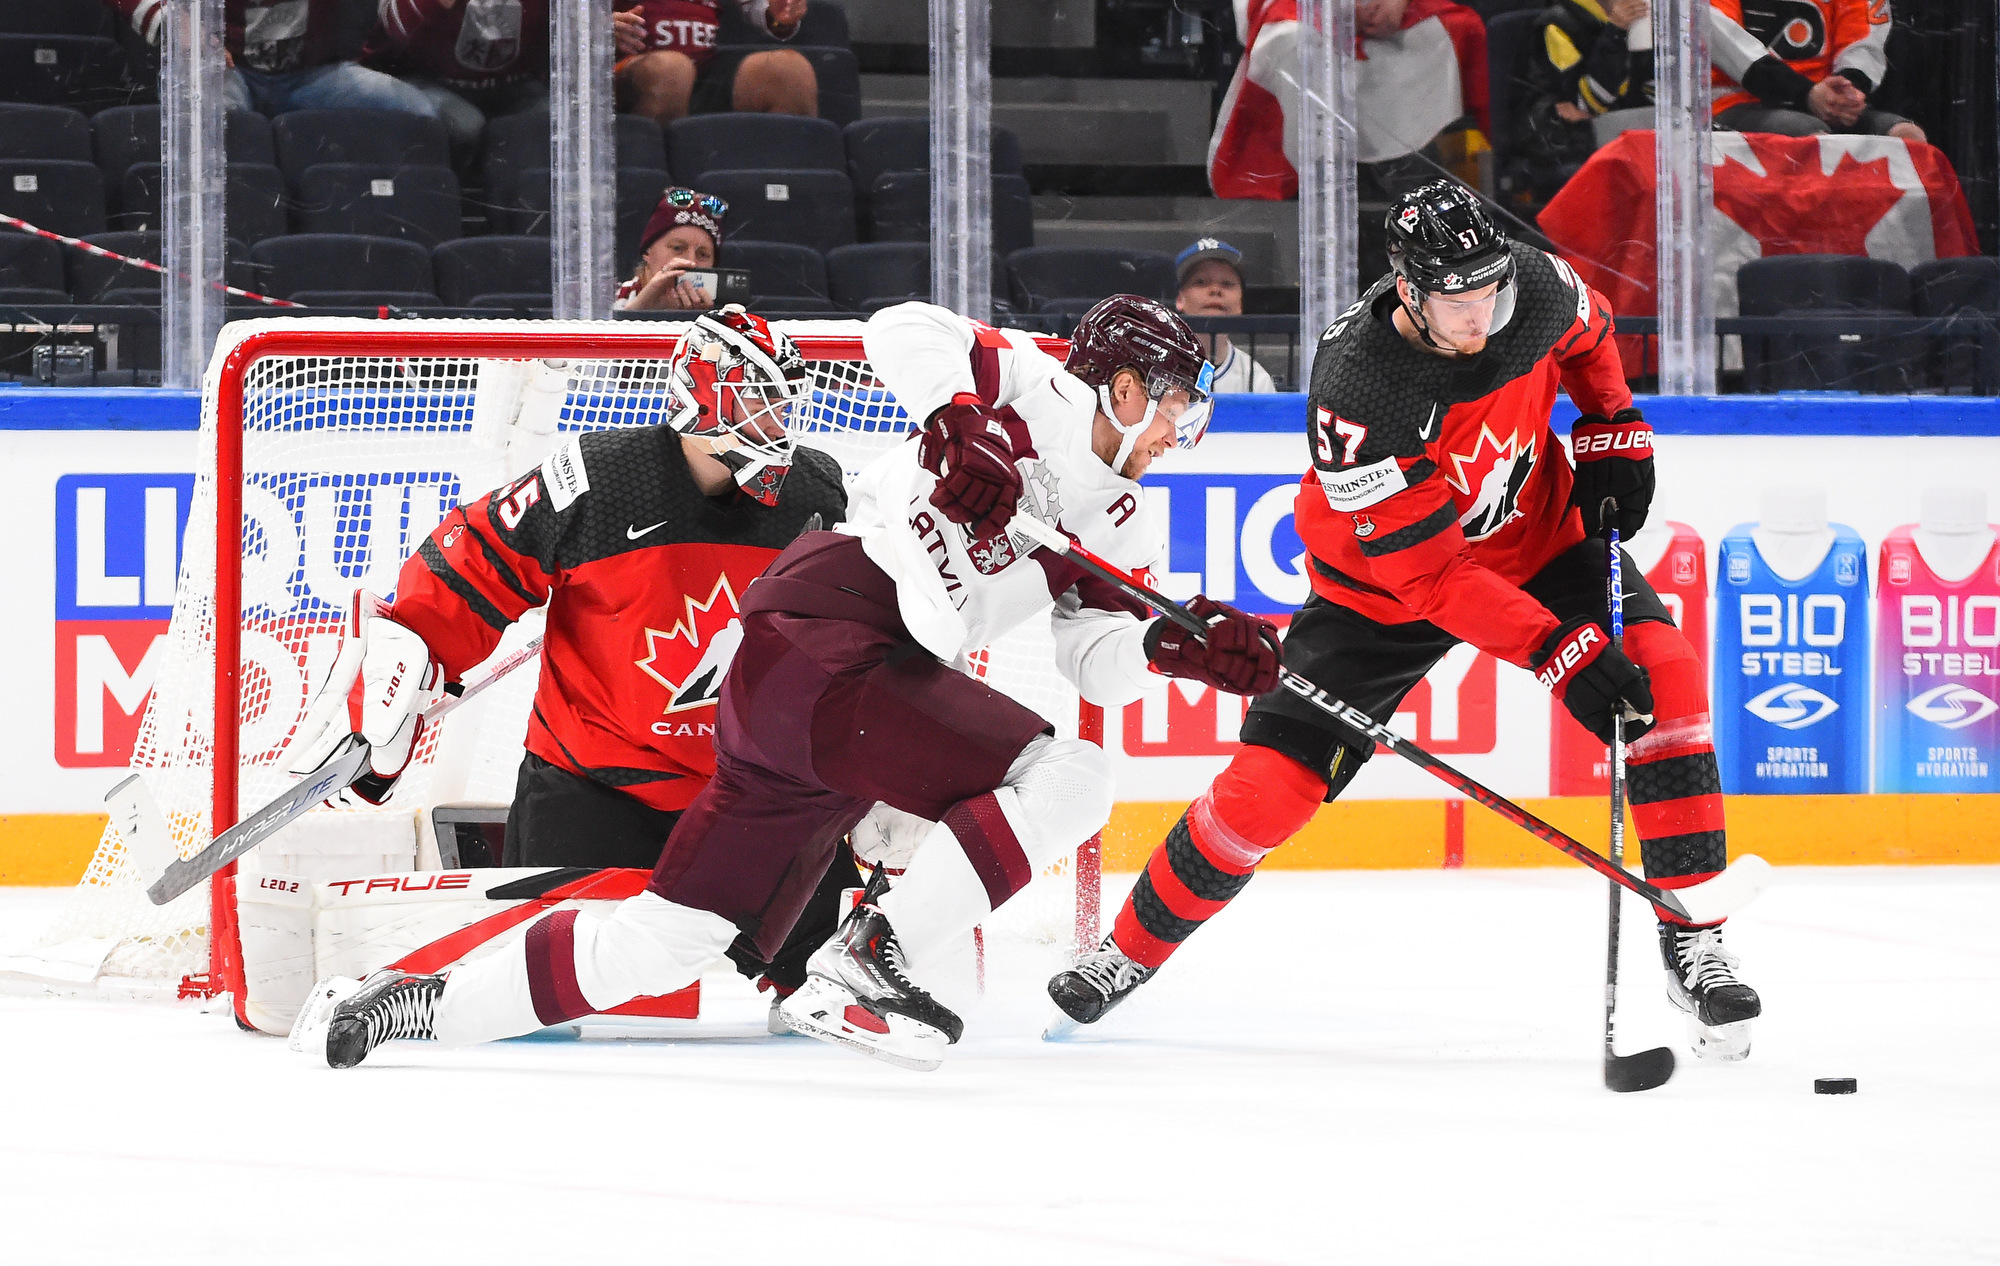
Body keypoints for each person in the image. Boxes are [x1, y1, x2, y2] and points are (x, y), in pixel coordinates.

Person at [292, 295, 1282, 1073]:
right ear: (1120, 388)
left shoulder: (1124, 526)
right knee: (1069, 780)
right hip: (831, 622)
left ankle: (408, 1005)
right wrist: (958, 418)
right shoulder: (1028, 385)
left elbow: (1094, 669)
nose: (1179, 433)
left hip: (839, 695)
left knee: (664, 944)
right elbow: (902, 329)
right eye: (1177, 408)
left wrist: (1172, 651)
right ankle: (866, 957)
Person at [1048, 182, 1765, 1063]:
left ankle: (1695, 937)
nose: (1482, 319)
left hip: (1539, 537)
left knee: (1667, 672)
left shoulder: (1531, 286)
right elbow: (1433, 578)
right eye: (1459, 303)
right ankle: (1125, 952)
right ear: (1411, 292)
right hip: (1384, 590)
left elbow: (1592, 332)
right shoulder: (1358, 391)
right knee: (1268, 788)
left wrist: (1615, 423)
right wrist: (1557, 650)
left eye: (1491, 294)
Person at [281, 306, 852, 1010]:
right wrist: (406, 672)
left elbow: (856, 631)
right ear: (703, 395)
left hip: (756, 796)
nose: (778, 422)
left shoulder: (816, 493)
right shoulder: (600, 479)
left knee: (825, 994)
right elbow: (473, 565)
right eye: (759, 399)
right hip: (595, 786)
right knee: (545, 1001)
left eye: (784, 402)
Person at [363, 0, 625, 160]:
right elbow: (400, 29)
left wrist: (592, 28)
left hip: (515, 86)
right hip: (424, 80)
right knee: (464, 124)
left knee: (562, 119)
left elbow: (568, 29)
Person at [107, 0, 442, 119]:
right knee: (213, 120)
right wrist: (170, 21)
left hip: (317, 76)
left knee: (419, 113)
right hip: (229, 71)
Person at [1710, 0, 1924, 143]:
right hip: (1738, 101)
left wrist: (1846, 91)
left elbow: (1862, 40)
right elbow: (1727, 45)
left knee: (1909, 138)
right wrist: (1806, 94)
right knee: (1814, 141)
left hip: (1826, 101)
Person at [614, 0, 816, 124]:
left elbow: (764, 11)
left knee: (789, 72)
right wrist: (600, 25)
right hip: (627, 69)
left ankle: (780, 186)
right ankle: (653, 186)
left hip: (706, 69)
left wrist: (778, 16)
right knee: (672, 70)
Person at [1515, 0, 1655, 168]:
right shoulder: (1558, 25)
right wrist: (1616, 33)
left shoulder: (1645, 17)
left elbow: (1655, 95)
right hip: (1571, 144)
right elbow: (1590, 103)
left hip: (1627, 138)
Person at [1173, 238, 1276, 394]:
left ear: (1240, 303)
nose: (1215, 290)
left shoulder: (1256, 380)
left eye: (1227, 283)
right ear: (1180, 299)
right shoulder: (1152, 369)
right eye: (1201, 282)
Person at [616, 187, 726, 312]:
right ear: (647, 251)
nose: (691, 262)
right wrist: (641, 311)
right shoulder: (607, 300)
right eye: (677, 248)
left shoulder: (727, 314)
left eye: (703, 255)